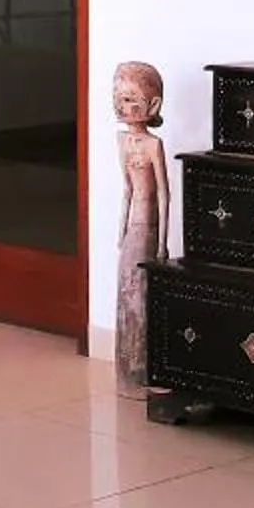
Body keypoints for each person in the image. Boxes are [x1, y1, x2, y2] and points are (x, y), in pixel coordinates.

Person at [112, 62, 170, 398]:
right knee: (126, 292)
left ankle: (141, 368)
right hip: (131, 226)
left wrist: (162, 240)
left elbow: (163, 193)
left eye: (132, 100)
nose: (123, 107)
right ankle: (126, 372)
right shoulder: (122, 142)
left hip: (148, 226)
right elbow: (126, 190)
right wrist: (120, 231)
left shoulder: (153, 145)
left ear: (153, 106)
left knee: (142, 292)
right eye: (119, 99)